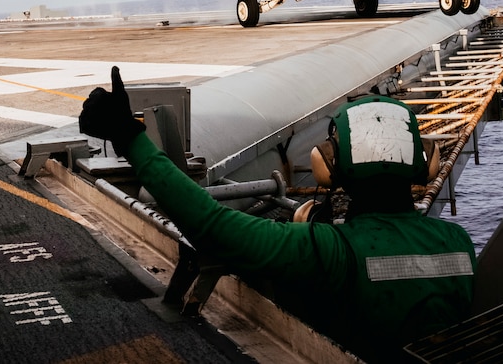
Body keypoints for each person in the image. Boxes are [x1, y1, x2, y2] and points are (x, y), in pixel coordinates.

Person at [80, 67, 477, 362]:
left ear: (329, 164)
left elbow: (211, 224)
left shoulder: (329, 251)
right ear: (425, 162)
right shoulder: (458, 243)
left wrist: (130, 138)